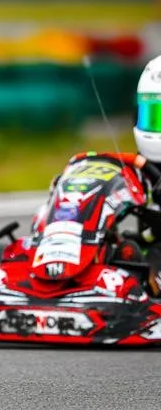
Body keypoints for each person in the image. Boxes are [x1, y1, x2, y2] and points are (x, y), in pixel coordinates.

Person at [28, 55, 161, 296]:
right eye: (155, 116)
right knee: (125, 252)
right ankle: (58, 266)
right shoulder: (140, 170)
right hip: (147, 251)